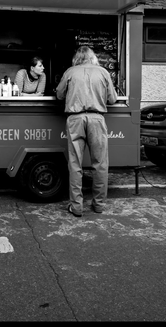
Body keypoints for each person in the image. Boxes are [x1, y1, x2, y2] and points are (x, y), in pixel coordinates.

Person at [56, 46, 117, 217]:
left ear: (77, 58)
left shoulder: (70, 72)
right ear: (93, 57)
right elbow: (112, 99)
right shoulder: (103, 72)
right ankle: (98, 205)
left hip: (75, 119)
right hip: (97, 119)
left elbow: (59, 95)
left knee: (75, 164)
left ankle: (76, 206)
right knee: (100, 164)